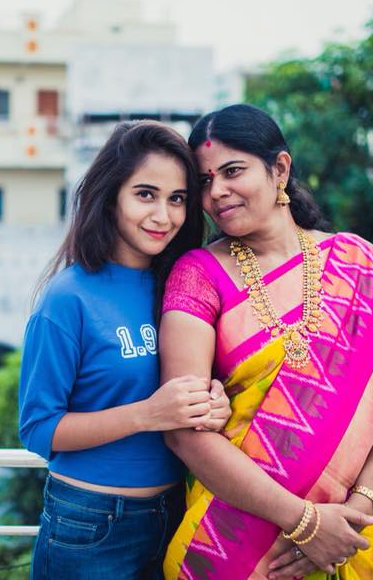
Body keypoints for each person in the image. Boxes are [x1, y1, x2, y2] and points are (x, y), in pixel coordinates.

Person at [159, 104, 373, 579]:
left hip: (360, 537)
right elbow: (184, 431)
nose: (217, 192)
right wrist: (307, 522)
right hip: (241, 544)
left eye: (233, 171)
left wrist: (353, 514)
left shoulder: (361, 263)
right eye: (205, 181)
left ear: (280, 169)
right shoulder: (197, 276)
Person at [19, 120, 232, 580]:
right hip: (89, 525)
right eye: (145, 194)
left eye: (177, 199)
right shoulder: (68, 297)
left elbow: (185, 392)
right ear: (111, 194)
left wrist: (210, 403)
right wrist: (148, 415)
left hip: (174, 514)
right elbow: (38, 429)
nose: (163, 216)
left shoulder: (182, 286)